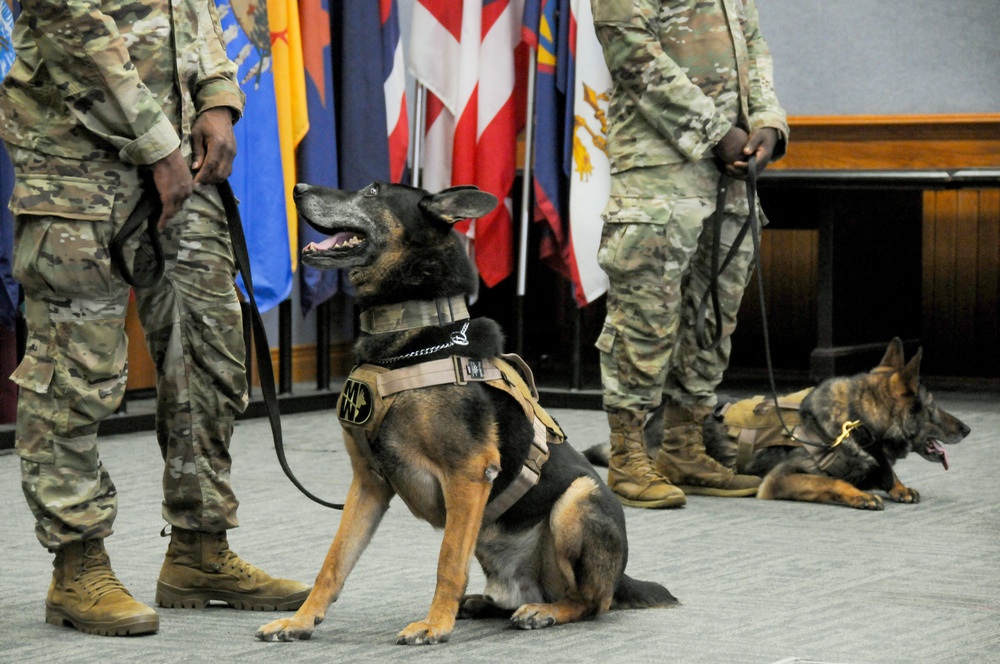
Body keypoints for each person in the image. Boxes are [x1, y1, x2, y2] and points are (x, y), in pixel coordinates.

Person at [0, 0, 309, 636]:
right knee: (72, 370)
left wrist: (220, 98)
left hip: (186, 167)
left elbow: (200, 12)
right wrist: (157, 141)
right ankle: (77, 564)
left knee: (210, 348)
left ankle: (200, 550)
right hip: (77, 171)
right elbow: (70, 23)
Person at [590, 0, 790, 508]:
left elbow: (754, 48)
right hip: (660, 171)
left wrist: (768, 123)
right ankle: (629, 456)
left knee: (714, 314)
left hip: (732, 173)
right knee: (645, 318)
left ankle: (683, 447)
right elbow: (631, 53)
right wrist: (716, 133)